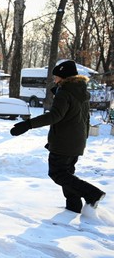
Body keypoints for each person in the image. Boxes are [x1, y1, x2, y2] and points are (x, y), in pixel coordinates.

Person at [10, 60, 106, 212]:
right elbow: (83, 117)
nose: (54, 79)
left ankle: (92, 193)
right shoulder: (81, 91)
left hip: (64, 142)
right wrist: (83, 138)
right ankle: (73, 207)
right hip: (77, 141)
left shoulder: (65, 93)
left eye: (56, 77)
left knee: (57, 173)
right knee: (67, 175)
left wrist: (28, 125)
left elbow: (55, 115)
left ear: (64, 77)